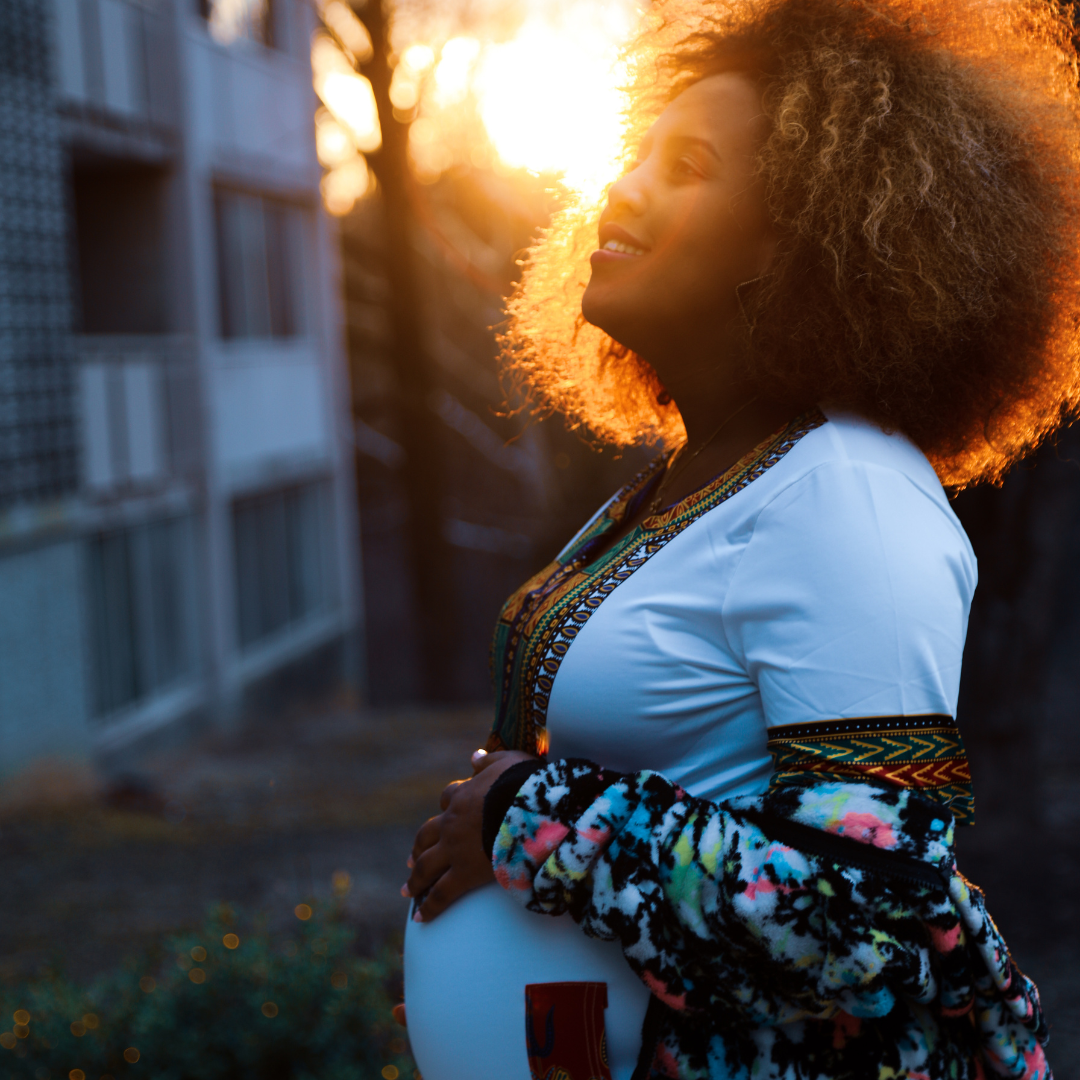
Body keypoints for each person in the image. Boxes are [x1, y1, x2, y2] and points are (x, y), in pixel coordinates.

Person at [402, 0, 1080, 1076]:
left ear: (807, 234)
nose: (618, 187)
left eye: (686, 164)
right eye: (637, 154)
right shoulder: (694, 480)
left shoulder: (847, 497)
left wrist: (526, 819)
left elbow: (867, 918)